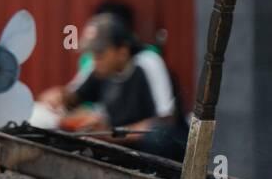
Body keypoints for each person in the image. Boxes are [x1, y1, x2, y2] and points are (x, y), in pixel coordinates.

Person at [40, 11, 188, 160]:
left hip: (157, 147)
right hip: (123, 144)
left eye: (100, 53)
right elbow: (72, 97)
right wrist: (58, 97)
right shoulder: (97, 67)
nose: (94, 59)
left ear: (122, 51)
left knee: (158, 138)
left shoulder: (148, 62)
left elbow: (166, 119)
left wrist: (114, 135)